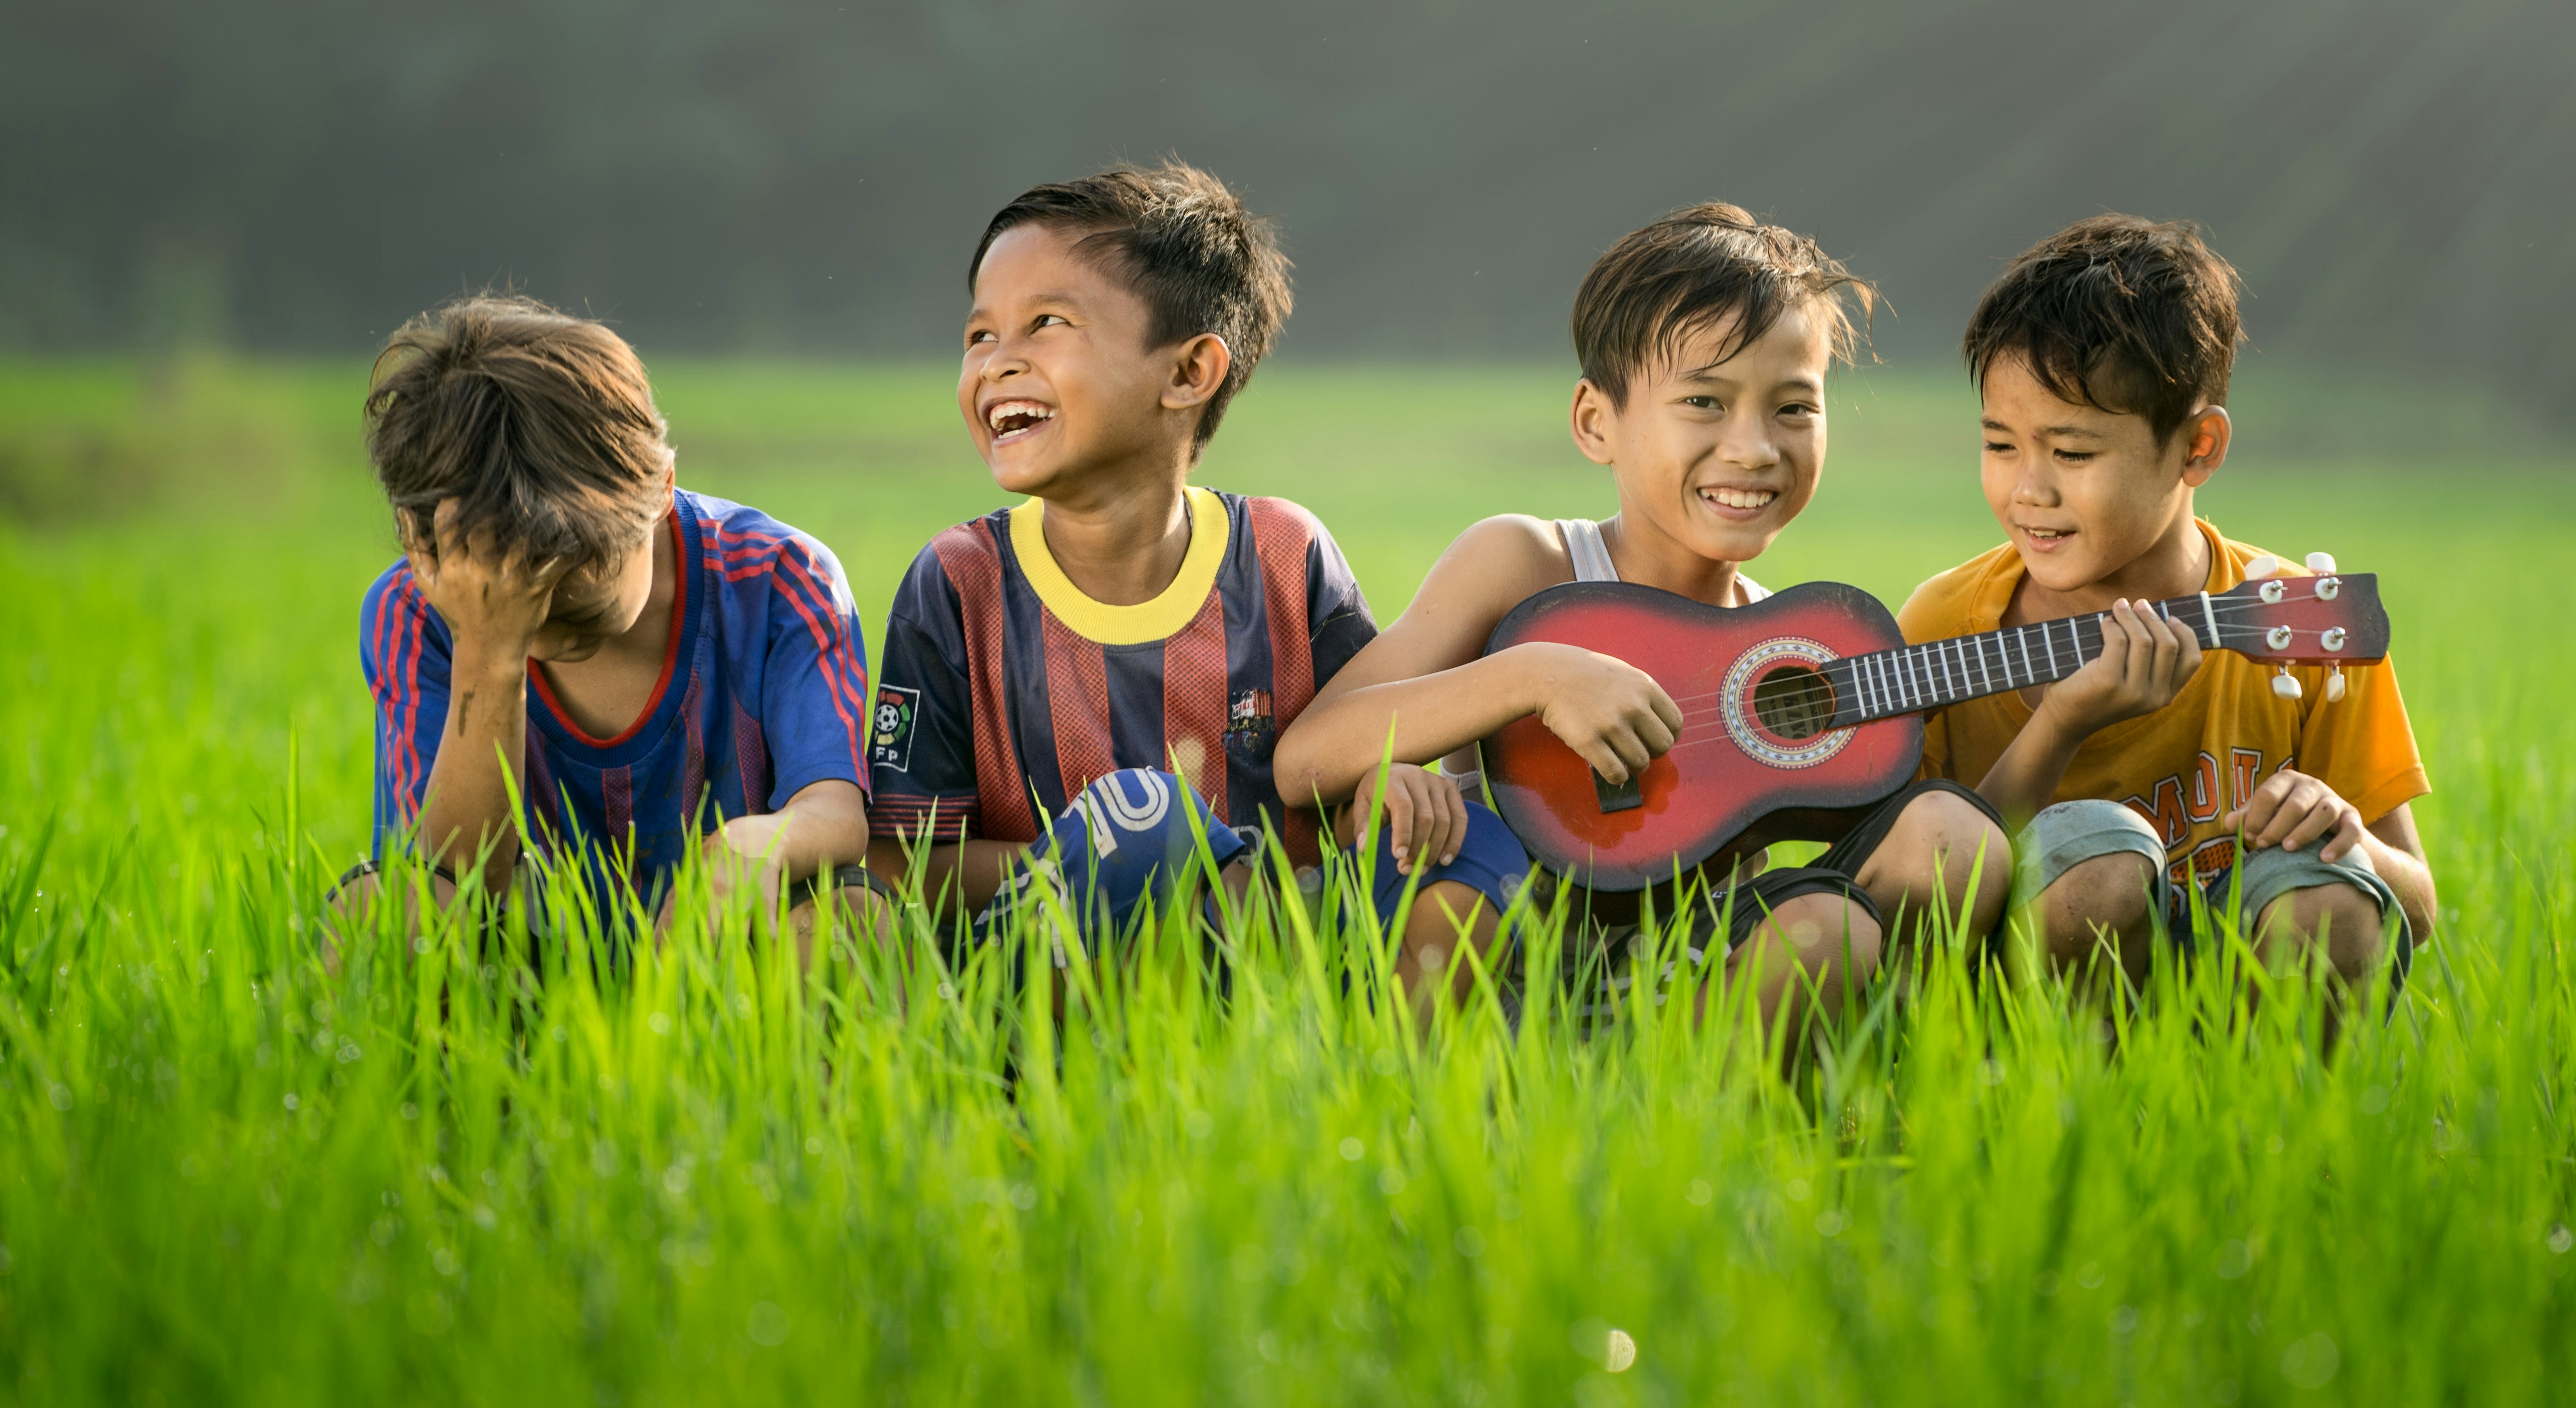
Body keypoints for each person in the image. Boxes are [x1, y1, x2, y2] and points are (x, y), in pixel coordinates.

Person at [1274, 204, 2012, 1057]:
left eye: (1793, 409)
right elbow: (1307, 758)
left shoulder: (1791, 648)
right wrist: (1535, 678)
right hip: (1510, 972)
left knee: (1897, 880)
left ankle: (1735, 1123)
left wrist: (2071, 708)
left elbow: (1924, 851)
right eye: (1704, 400)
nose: (1754, 448)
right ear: (1597, 422)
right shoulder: (1528, 562)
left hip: (1697, 987)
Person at [862, 159, 1526, 1014]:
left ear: (1188, 373)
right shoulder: (958, 583)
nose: (999, 363)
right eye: (980, 336)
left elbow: (1354, 756)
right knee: (1144, 815)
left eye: (1047, 324)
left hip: (1280, 956)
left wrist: (1389, 784)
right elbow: (903, 861)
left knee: (1477, 839)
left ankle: (1377, 1089)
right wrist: (1168, 861)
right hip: (1052, 979)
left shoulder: (1286, 555)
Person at [1907, 214, 2438, 1008]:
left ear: (2199, 448)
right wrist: (2060, 724)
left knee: (2330, 898)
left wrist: (2347, 836)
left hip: (2234, 995)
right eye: (2001, 445)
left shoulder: (2299, 624)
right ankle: (2077, 1122)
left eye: (2073, 453)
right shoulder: (1944, 622)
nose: (2029, 489)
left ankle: (2280, 1126)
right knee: (2095, 870)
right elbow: (1911, 916)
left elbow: (2417, 907)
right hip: (2020, 1022)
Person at [337, 295, 880, 964]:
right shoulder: (416, 610)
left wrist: (757, 843)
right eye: (500, 580)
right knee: (383, 914)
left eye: (561, 576)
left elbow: (834, 809)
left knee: (849, 916)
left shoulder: (777, 579)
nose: (529, 605)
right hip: (518, 974)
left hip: (729, 960)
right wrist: (488, 648)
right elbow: (454, 882)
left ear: (658, 491)